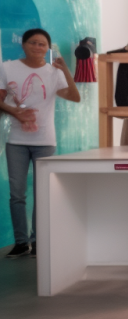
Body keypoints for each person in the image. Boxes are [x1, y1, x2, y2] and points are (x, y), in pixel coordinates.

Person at [0, 29, 81, 258]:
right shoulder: (7, 67)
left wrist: (65, 69)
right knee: (17, 194)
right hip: (16, 140)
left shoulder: (53, 72)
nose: (38, 47)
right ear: (23, 45)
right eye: (33, 43)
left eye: (42, 44)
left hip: (45, 140)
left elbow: (74, 97)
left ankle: (37, 241)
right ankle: (21, 242)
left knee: (42, 192)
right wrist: (13, 111)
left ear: (48, 48)